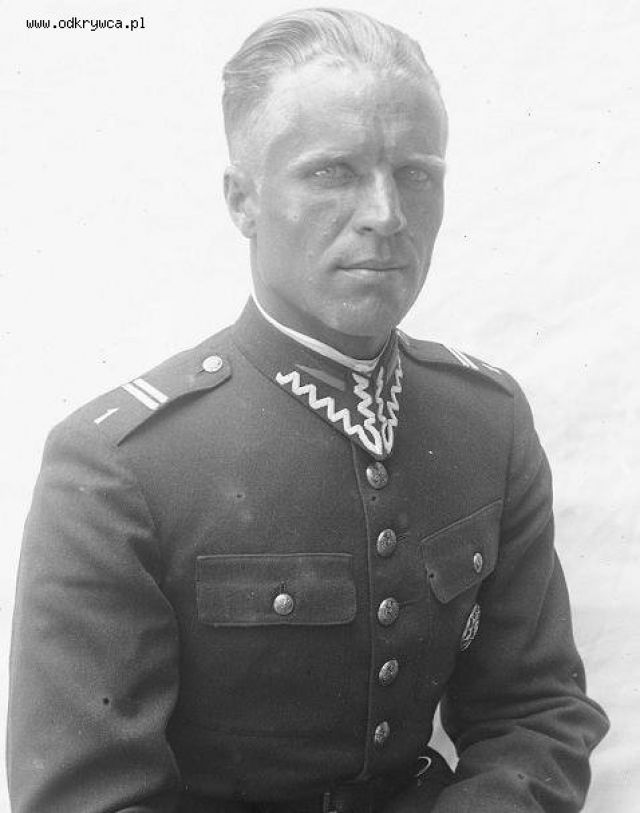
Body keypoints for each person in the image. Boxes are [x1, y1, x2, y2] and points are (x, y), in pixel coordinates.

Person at [8, 8, 609, 812]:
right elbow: (88, 794)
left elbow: (536, 711)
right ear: (242, 201)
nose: (386, 214)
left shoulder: (486, 421)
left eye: (417, 174)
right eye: (333, 172)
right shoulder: (119, 465)